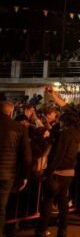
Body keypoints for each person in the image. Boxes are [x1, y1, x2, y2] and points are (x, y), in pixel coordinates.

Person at [35, 112, 80, 237]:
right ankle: (63, 230)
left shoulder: (65, 135)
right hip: (69, 171)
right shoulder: (77, 135)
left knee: (48, 200)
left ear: (65, 122)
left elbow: (57, 155)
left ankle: (42, 229)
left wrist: (47, 172)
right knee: (63, 201)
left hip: (58, 172)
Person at [1, 101, 32, 236]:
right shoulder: (19, 128)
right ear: (11, 112)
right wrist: (25, 176)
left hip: (7, 172)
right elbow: (26, 155)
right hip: (7, 173)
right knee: (1, 206)